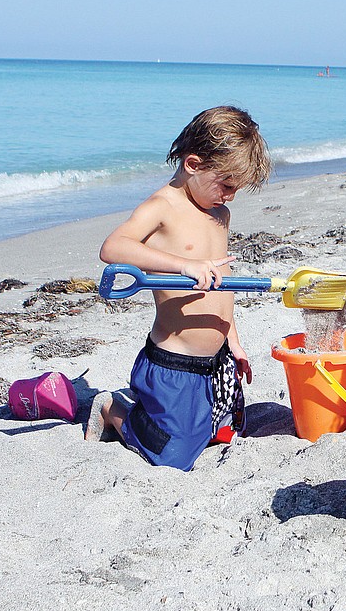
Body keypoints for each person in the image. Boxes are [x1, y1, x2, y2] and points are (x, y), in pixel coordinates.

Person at [85, 106, 272, 471]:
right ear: (192, 164)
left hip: (215, 361)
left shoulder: (219, 215)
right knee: (174, 457)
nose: (230, 196)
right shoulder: (162, 207)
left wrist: (232, 339)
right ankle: (114, 408)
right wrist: (184, 265)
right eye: (226, 184)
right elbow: (113, 248)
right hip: (175, 365)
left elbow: (223, 285)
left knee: (224, 432)